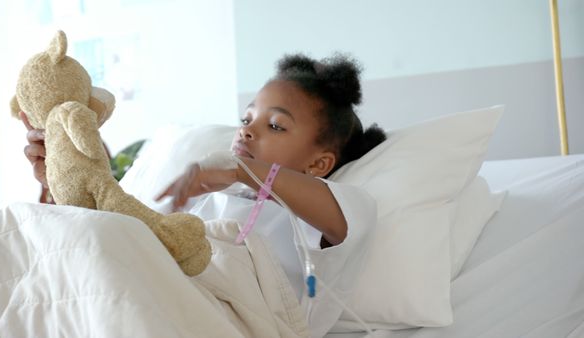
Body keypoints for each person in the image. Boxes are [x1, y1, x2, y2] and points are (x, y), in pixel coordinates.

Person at [21, 52, 386, 336]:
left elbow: (340, 220)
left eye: (275, 125)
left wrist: (236, 170)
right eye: (246, 119)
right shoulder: (206, 197)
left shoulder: (342, 205)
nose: (246, 132)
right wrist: (64, 177)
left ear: (319, 165)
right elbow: (131, 245)